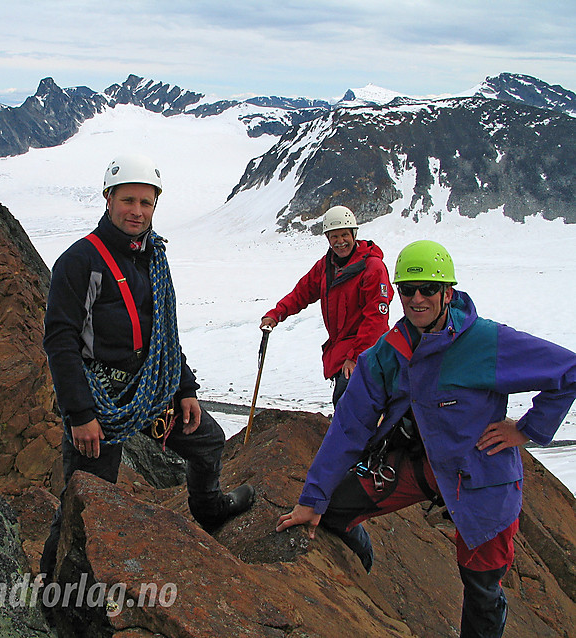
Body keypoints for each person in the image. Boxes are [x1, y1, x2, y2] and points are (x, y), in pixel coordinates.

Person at [275, 240, 576, 638]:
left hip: (478, 475)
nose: (417, 299)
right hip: (419, 465)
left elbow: (568, 371)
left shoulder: (485, 342)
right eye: (407, 289)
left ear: (447, 293)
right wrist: (312, 498)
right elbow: (350, 424)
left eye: (428, 289)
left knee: (481, 585)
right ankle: (364, 572)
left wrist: (525, 429)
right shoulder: (388, 352)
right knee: (331, 512)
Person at [41, 153, 255, 580]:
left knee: (208, 441)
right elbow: (60, 341)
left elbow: (163, 332)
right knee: (86, 498)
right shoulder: (81, 261)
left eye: (146, 202)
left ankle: (209, 510)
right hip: (100, 399)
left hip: (150, 389)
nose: (137, 211)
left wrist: (185, 388)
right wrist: (81, 415)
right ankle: (53, 588)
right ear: (108, 199)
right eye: (128, 201)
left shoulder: (151, 256)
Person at [261, 205, 393, 406]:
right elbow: (301, 294)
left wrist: (356, 357)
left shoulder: (372, 268)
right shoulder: (326, 266)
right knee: (347, 405)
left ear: (353, 234)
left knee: (350, 403)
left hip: (369, 352)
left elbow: (376, 319)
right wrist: (276, 314)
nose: (340, 242)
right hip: (341, 352)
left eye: (344, 235)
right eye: (334, 237)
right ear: (328, 239)